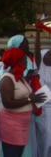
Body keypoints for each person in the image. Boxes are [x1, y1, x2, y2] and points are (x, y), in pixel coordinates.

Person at [0, 47, 46, 157]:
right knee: (12, 153)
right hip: (11, 124)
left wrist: (33, 102)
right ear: (17, 61)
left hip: (22, 124)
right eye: (24, 59)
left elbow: (24, 95)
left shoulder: (19, 77)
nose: (26, 61)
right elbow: (8, 103)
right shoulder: (7, 79)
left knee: (18, 153)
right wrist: (30, 99)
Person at [34, 27, 51, 157]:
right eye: (47, 55)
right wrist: (38, 34)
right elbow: (37, 52)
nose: (49, 58)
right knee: (43, 138)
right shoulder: (39, 67)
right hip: (41, 108)